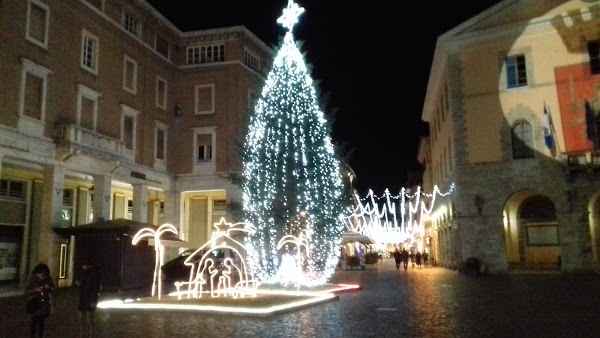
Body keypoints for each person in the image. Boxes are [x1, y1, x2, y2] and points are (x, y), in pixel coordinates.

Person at [25, 262, 55, 338]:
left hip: (44, 303)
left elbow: (53, 289)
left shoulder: (48, 279)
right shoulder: (32, 279)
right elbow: (26, 291)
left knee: (41, 323)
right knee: (33, 323)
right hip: (34, 303)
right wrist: (36, 290)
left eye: (43, 274)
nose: (41, 276)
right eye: (40, 273)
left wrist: (49, 288)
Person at [75, 257, 102, 338]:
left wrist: (94, 300)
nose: (82, 267)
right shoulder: (84, 272)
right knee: (82, 320)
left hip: (90, 298)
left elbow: (96, 288)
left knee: (90, 320)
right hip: (83, 298)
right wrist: (79, 284)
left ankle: (91, 336)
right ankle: (83, 335)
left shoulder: (94, 274)